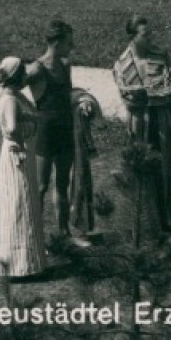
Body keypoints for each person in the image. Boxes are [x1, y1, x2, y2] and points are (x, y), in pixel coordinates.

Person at [111, 15, 171, 237]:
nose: (151, 36)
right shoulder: (122, 64)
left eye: (150, 32)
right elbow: (128, 97)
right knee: (142, 170)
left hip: (166, 121)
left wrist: (147, 94)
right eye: (145, 34)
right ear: (133, 37)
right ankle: (150, 224)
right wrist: (152, 93)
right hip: (139, 124)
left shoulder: (161, 57)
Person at [0, 57, 47, 279]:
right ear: (16, 77)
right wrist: (29, 119)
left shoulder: (16, 96)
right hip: (18, 155)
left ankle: (27, 263)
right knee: (20, 204)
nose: (26, 77)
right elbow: (13, 128)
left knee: (25, 204)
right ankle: (20, 267)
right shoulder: (10, 101)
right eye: (23, 74)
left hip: (21, 155)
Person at [26, 20, 77, 244]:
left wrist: (83, 101)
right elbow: (11, 89)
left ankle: (63, 233)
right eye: (69, 41)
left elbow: (69, 94)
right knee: (41, 185)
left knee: (63, 183)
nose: (72, 46)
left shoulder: (66, 65)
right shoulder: (36, 69)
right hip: (45, 132)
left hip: (65, 128)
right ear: (56, 42)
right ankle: (32, 235)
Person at [69, 88, 103, 244]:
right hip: (49, 131)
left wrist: (85, 100)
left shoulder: (61, 65)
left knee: (80, 177)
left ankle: (80, 228)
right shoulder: (37, 70)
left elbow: (73, 91)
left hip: (71, 130)